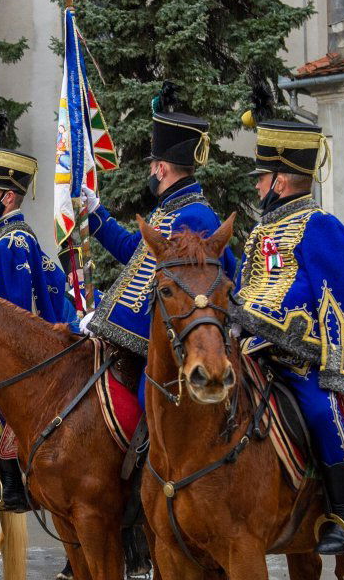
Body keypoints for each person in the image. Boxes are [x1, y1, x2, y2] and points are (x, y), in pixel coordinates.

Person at [236, 119, 344, 555]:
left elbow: (340, 294)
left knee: (322, 412)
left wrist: (336, 369)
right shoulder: (263, 230)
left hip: (306, 358)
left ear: (280, 181)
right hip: (257, 350)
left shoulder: (321, 226)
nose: (257, 186)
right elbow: (252, 285)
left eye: (261, 178)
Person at [84, 108, 237, 378]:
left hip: (187, 346)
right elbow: (132, 251)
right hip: (167, 341)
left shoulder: (193, 217)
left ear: (161, 169)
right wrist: (95, 211)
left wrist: (104, 322)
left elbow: (170, 294)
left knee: (146, 394)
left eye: (152, 166)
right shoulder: (170, 209)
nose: (150, 172)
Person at [0, 143, 75, 512]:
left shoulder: (14, 241)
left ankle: (13, 482)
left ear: (9, 198)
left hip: (10, 353)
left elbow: (12, 311)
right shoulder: (0, 241)